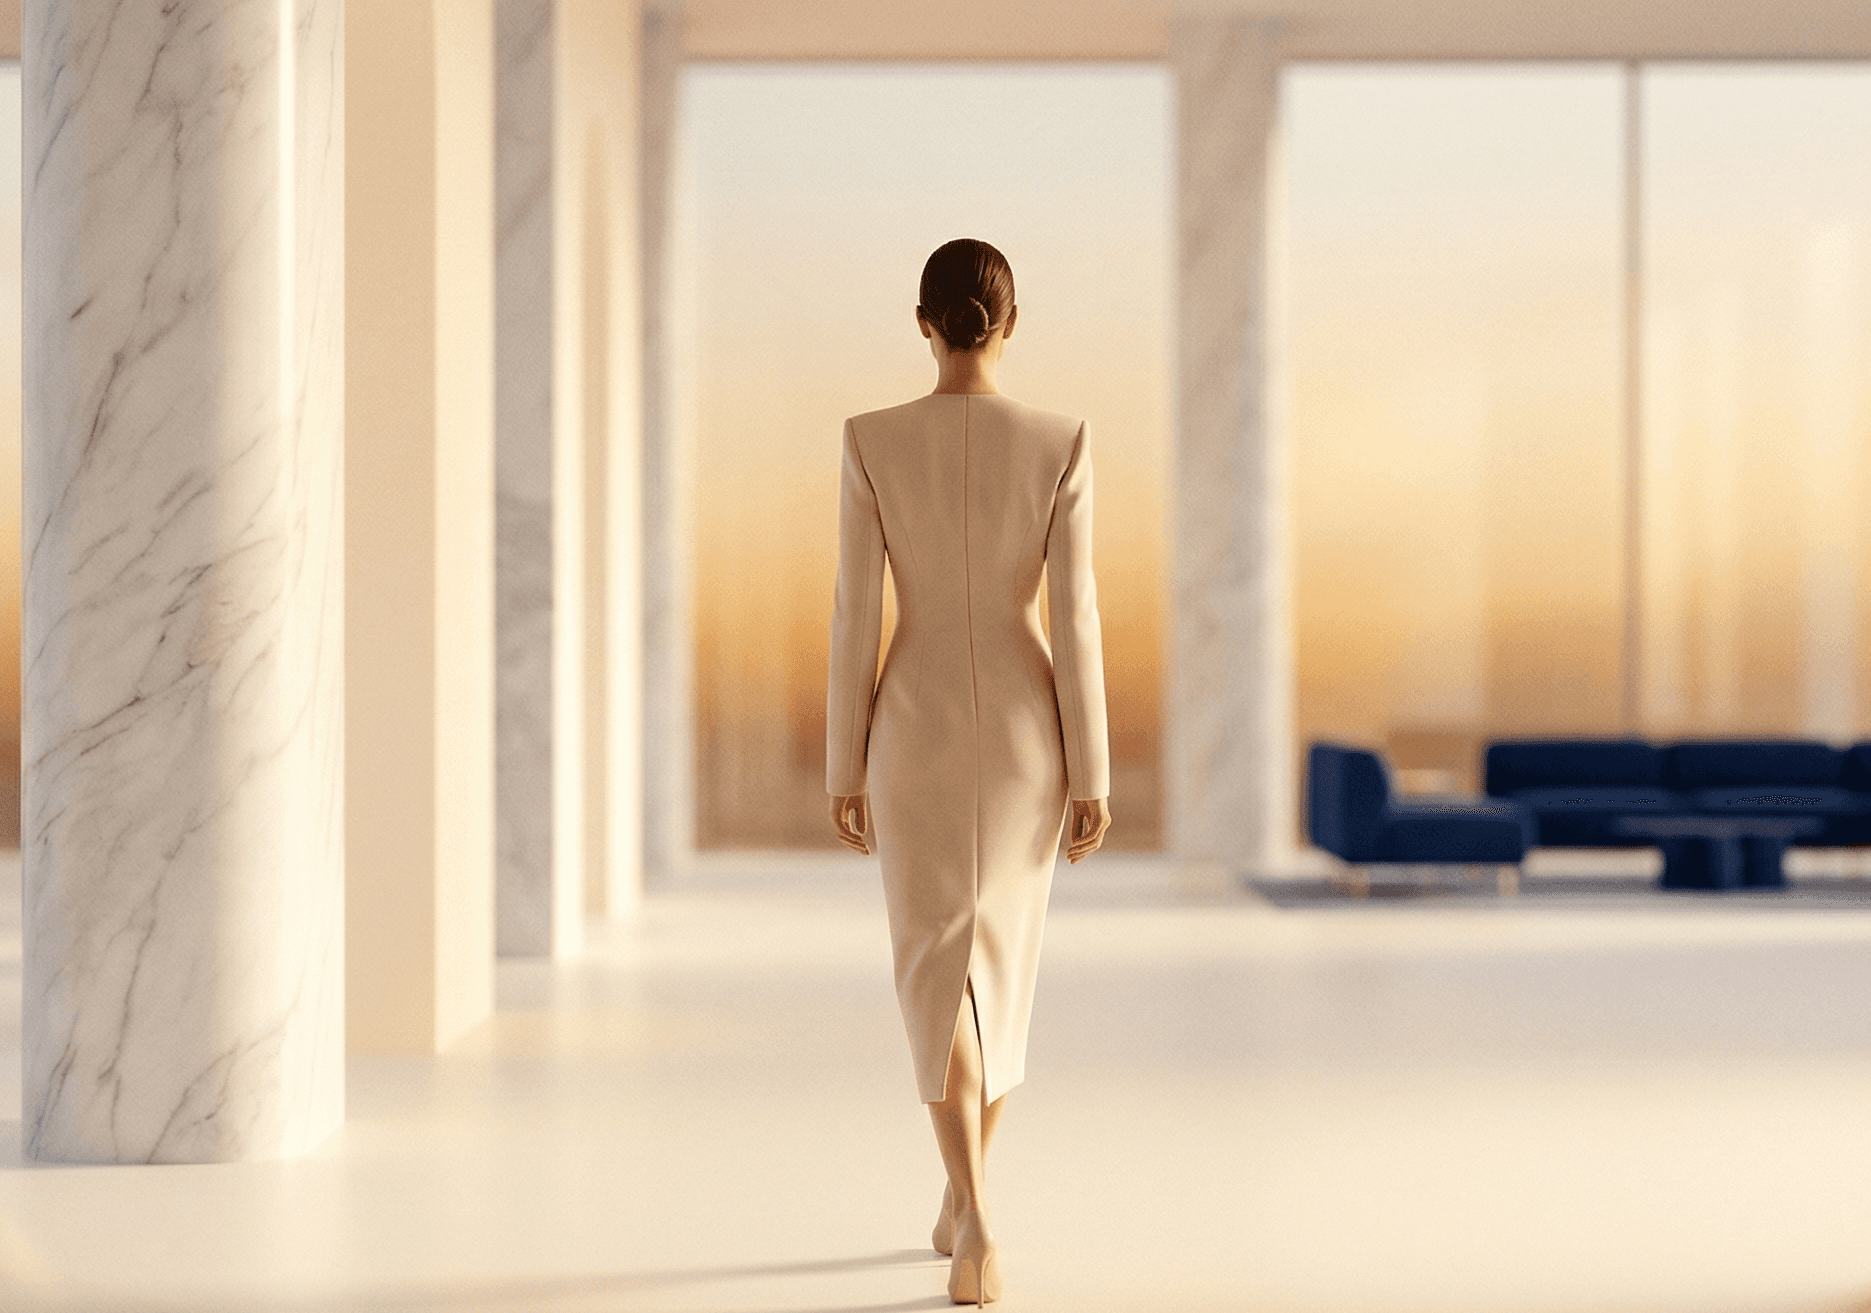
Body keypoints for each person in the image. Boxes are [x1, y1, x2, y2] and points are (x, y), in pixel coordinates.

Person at [825, 238, 1112, 1306]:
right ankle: (971, 1201)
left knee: (931, 964)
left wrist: (840, 757)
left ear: (922, 321)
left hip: (911, 718)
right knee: (998, 967)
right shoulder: (1061, 439)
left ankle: (971, 1211)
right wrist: (1092, 769)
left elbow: (857, 611)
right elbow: (1074, 619)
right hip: (1028, 731)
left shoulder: (868, 439)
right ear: (1010, 319)